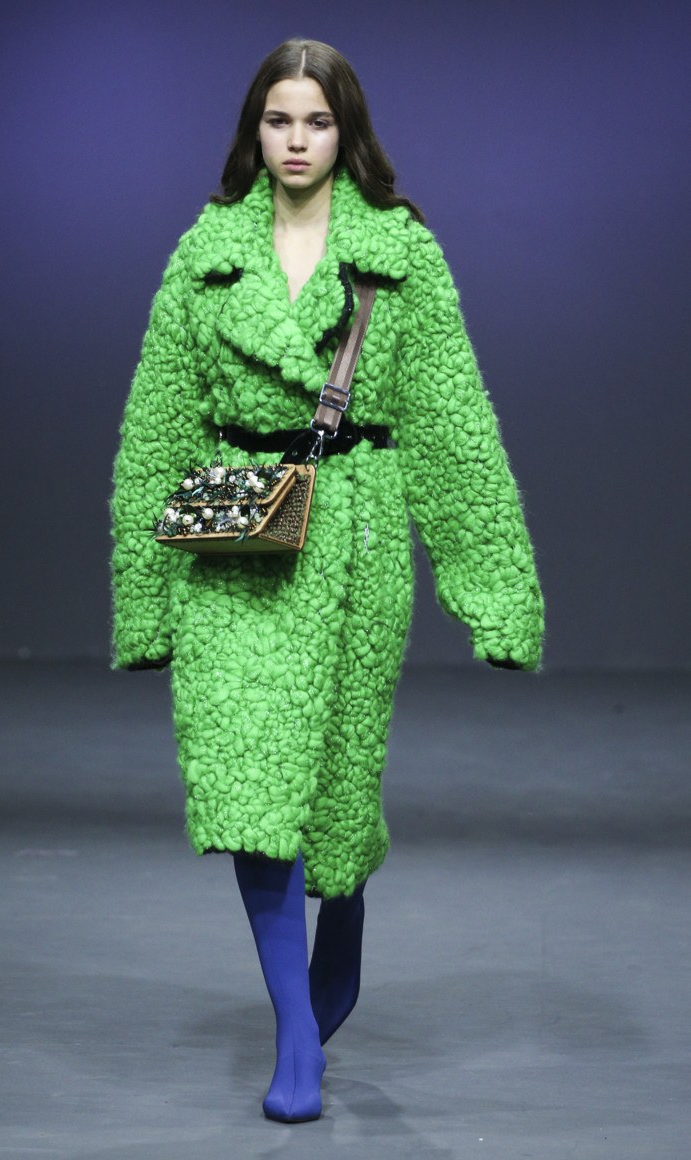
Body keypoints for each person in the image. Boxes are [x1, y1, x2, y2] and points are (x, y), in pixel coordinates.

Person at [111, 38, 544, 1123]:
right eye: (277, 120)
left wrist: (494, 592)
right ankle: (294, 1029)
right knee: (246, 782)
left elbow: (451, 425)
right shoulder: (204, 253)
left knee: (338, 786)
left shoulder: (398, 253)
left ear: (345, 130)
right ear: (251, 130)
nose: (295, 140)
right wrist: (143, 600)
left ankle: (342, 909)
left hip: (352, 534)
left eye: (315, 120)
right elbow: (156, 424)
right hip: (232, 537)